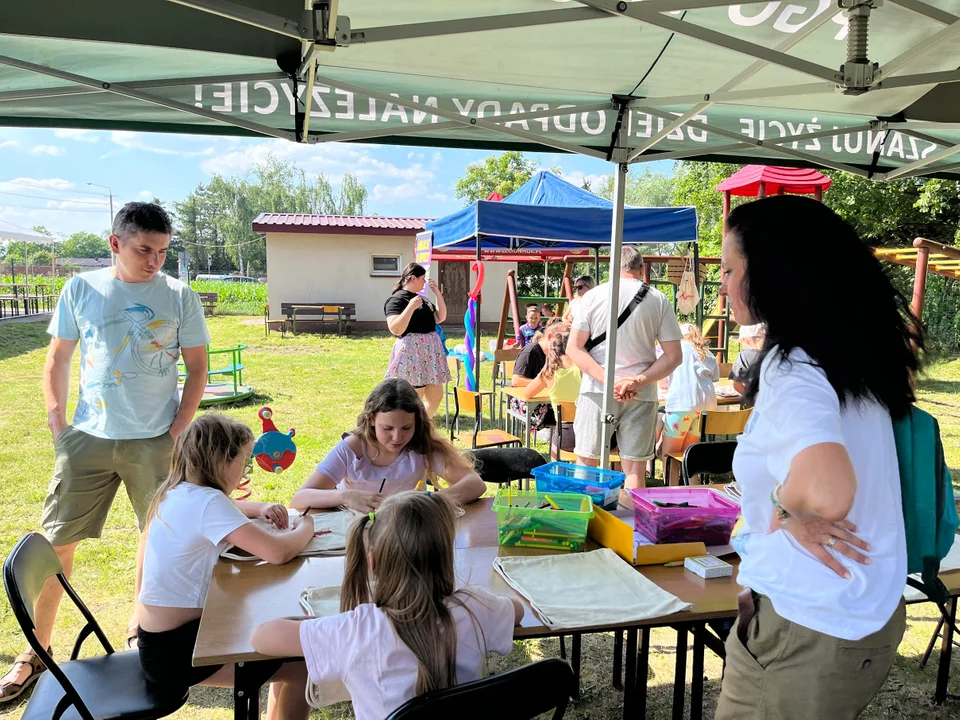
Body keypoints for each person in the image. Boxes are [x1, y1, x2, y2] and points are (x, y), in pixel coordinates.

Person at [714, 196, 921, 719]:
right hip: (859, 612)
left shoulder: (793, 364)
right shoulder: (853, 357)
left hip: (810, 622)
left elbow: (827, 490)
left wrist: (783, 513)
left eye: (730, 269)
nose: (722, 284)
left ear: (772, 274)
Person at [0, 203, 210, 703]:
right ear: (115, 243)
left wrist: (177, 429)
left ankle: (144, 634)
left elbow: (197, 367)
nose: (154, 260)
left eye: (162, 251)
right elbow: (58, 358)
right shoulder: (81, 288)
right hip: (86, 440)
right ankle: (35, 653)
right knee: (56, 546)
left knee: (158, 541)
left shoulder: (180, 296)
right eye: (144, 250)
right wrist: (59, 425)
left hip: (155, 440)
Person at [250, 491, 522, 720]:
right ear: (447, 555)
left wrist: (318, 625)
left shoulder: (355, 630)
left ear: (372, 562)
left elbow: (261, 637)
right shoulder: (475, 608)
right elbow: (516, 610)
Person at [137, 414, 312, 719]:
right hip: (180, 652)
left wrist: (260, 508)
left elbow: (226, 509)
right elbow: (278, 552)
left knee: (282, 635)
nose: (244, 473)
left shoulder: (177, 490)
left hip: (161, 643)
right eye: (244, 464)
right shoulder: (208, 503)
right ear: (221, 462)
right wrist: (306, 524)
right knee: (307, 665)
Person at [567, 247, 683, 490]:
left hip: (597, 389)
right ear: (641, 269)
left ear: (612, 267)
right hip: (641, 392)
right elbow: (673, 357)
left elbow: (574, 349)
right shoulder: (658, 298)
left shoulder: (592, 296)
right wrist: (637, 381)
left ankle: (585, 524)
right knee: (634, 469)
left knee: (586, 462)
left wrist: (609, 382)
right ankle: (632, 526)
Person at [292, 378, 486, 513]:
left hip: (408, 531)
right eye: (387, 428)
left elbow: (475, 484)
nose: (397, 437)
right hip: (357, 531)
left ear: (417, 423)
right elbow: (300, 498)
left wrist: (428, 501)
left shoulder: (420, 445)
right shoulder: (353, 448)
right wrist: (346, 497)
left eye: (406, 427)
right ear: (372, 419)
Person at [384, 263, 450, 417]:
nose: (424, 282)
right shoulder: (396, 300)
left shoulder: (423, 299)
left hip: (430, 352)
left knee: (436, 395)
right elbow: (395, 328)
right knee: (415, 397)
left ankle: (422, 425)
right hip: (412, 353)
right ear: (413, 278)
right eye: (422, 279)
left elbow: (440, 317)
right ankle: (412, 429)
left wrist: (437, 294)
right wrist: (410, 308)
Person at [659, 323, 720, 485]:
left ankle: (670, 489)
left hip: (680, 406)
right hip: (704, 407)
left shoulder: (675, 350)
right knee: (689, 453)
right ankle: (693, 488)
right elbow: (715, 377)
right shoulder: (706, 352)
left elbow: (662, 380)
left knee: (669, 453)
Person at [523, 329, 582, 454]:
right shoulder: (582, 368)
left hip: (565, 436)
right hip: (587, 431)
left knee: (555, 445)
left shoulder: (548, 373)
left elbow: (528, 393)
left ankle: (556, 471)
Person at [509, 318, 564, 433]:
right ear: (549, 338)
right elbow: (516, 380)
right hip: (526, 402)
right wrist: (542, 384)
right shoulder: (530, 352)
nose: (562, 345)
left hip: (547, 399)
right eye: (559, 341)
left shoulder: (557, 354)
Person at [729, 322, 765, 406]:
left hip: (755, 405)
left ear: (747, 340)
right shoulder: (775, 353)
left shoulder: (745, 355)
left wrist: (751, 398)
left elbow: (737, 385)